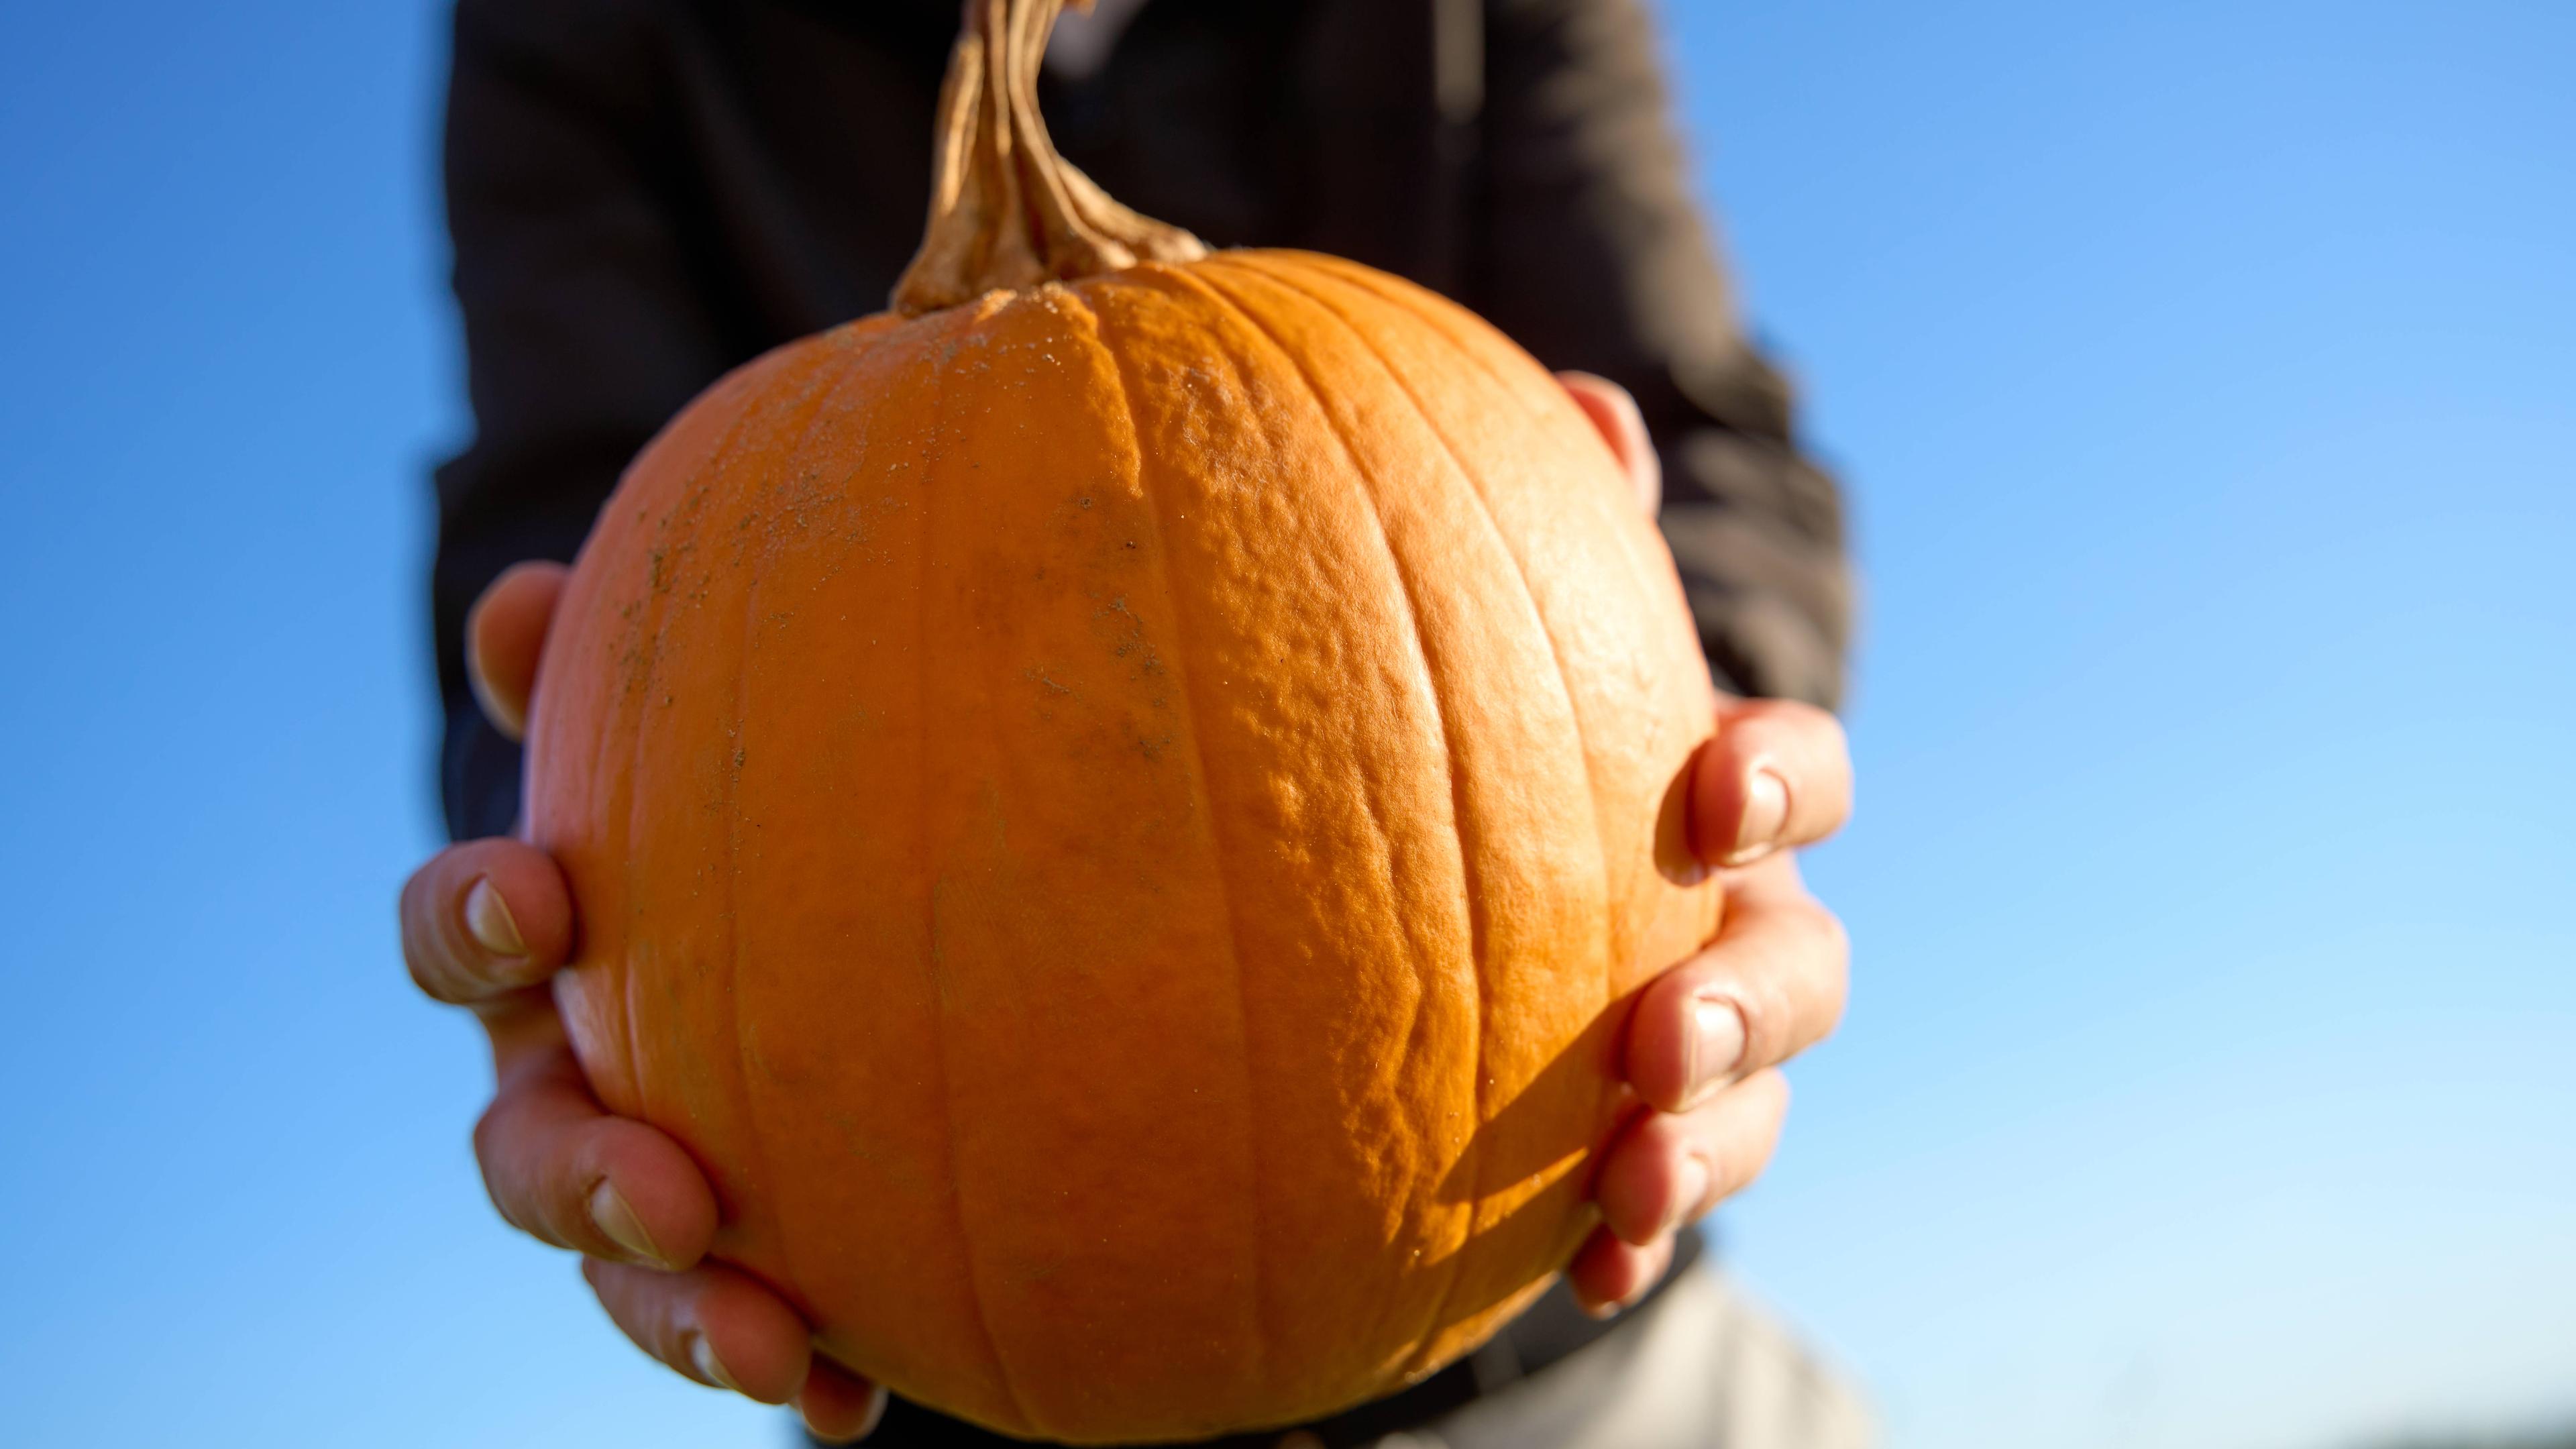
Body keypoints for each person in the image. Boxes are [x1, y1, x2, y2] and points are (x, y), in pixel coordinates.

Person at [398, 1, 1863, 1444]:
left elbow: (1696, 438)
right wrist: (554, 886)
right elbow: (560, 549)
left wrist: (1691, 740)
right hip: (942, 1366)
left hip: (1576, 1309)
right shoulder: (580, 27)